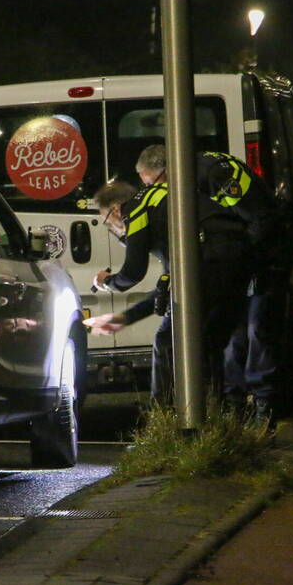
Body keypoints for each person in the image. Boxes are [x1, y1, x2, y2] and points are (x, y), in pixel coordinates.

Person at [136, 145, 293, 419]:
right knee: (231, 334)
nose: (157, 194)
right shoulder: (190, 179)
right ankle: (233, 406)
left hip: (267, 258)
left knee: (259, 330)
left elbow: (261, 220)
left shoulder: (213, 174)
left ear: (165, 171)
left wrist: (235, 261)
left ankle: (264, 408)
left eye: (154, 185)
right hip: (239, 260)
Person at [85, 164, 250, 405]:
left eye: (108, 222)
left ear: (116, 210)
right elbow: (174, 285)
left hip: (212, 259)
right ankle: (223, 414)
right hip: (237, 255)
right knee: (213, 340)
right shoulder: (161, 208)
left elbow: (133, 272)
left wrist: (107, 283)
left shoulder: (136, 207)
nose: (112, 229)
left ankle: (164, 417)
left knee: (168, 339)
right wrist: (125, 318)